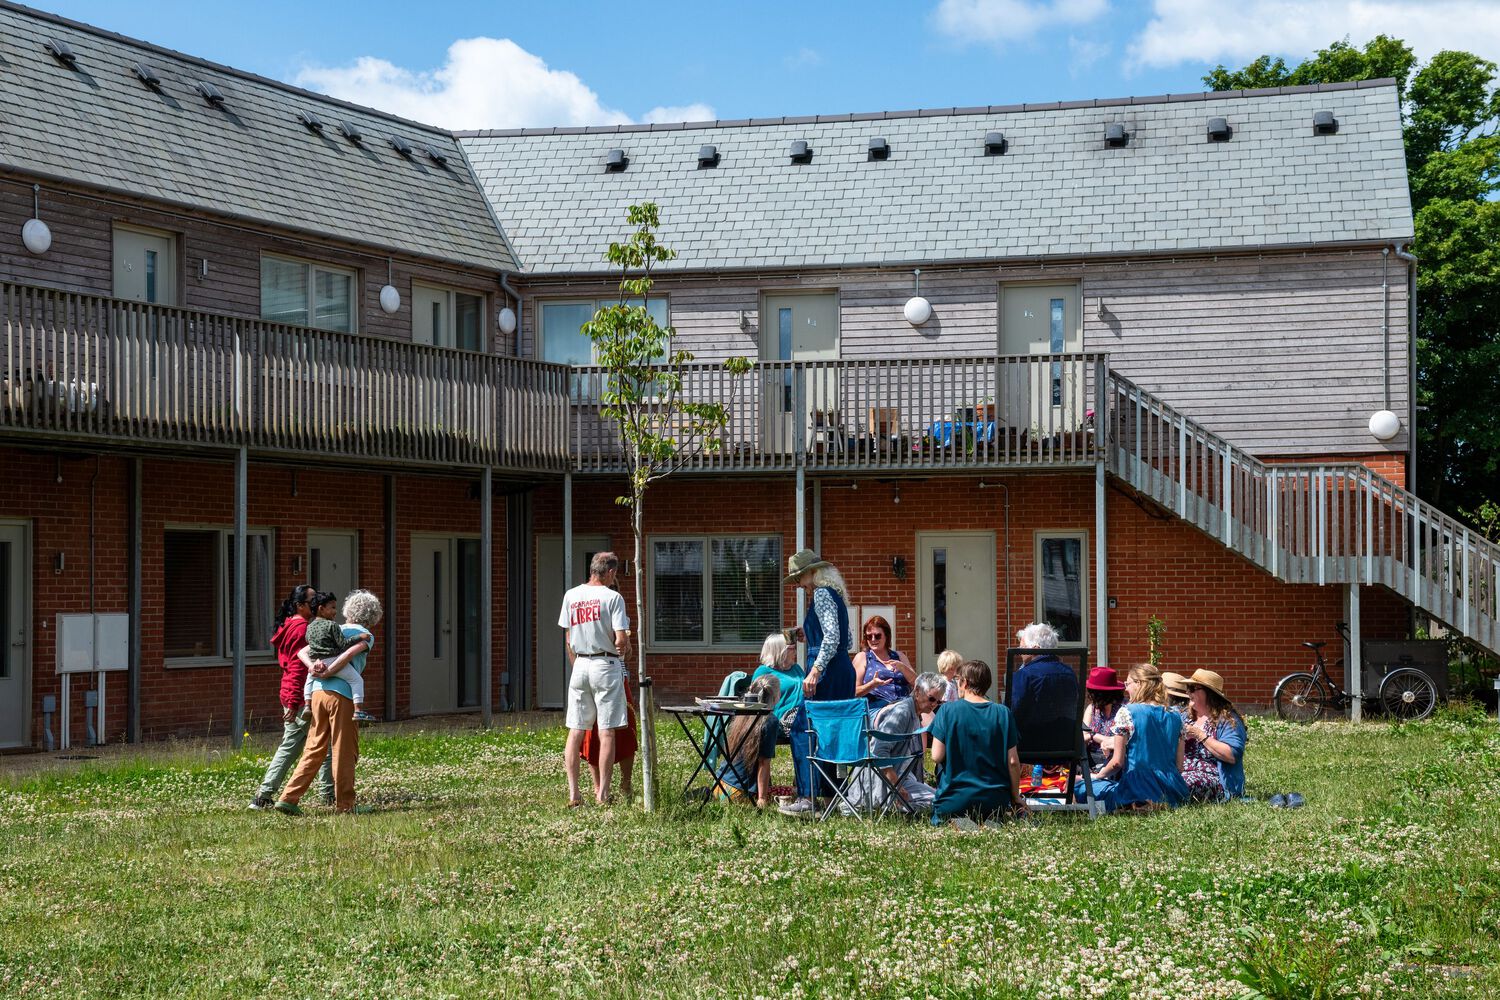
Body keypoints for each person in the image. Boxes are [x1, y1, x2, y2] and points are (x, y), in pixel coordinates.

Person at [275, 590, 381, 815]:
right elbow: (348, 655)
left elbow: (303, 652)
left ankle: (288, 798)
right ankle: (346, 804)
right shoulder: (365, 635)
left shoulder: (334, 628)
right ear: (373, 617)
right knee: (344, 749)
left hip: (317, 695)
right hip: (342, 696)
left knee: (314, 748)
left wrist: (314, 669)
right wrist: (330, 671)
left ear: (348, 611)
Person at [777, 550, 856, 818]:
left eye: (799, 577)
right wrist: (808, 633)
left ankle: (808, 797)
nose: (798, 584)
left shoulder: (821, 594)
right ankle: (834, 796)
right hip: (842, 670)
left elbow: (832, 638)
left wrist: (815, 670)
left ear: (813, 572)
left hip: (827, 672)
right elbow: (847, 640)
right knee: (832, 732)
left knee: (803, 729)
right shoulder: (836, 595)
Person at [559, 551, 632, 807]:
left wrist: (578, 664)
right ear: (610, 572)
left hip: (580, 664)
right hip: (605, 664)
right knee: (607, 730)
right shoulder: (613, 597)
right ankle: (603, 794)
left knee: (576, 730)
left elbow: (568, 638)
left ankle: (574, 794)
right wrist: (624, 646)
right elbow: (620, 640)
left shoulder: (571, 595)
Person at [249, 585, 332, 810]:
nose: (316, 603)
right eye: (312, 600)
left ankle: (265, 796)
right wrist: (296, 703)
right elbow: (297, 668)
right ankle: (327, 796)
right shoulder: (301, 629)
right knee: (314, 745)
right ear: (299, 605)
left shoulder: (290, 625)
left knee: (304, 745)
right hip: (299, 697)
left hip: (291, 693)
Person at [930, 659, 1026, 827]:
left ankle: (960, 821)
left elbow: (936, 756)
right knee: (991, 817)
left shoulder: (947, 710)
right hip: (995, 801)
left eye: (958, 680)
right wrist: (1015, 797)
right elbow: (1013, 762)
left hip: (953, 801)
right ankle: (988, 820)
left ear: (965, 682)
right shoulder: (1003, 713)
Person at [1084, 663, 1190, 813]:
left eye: (1128, 684)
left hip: (1138, 790)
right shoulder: (1176, 715)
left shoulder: (1127, 712)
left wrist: (1097, 776)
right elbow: (1179, 766)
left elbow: (1117, 763)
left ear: (1139, 683)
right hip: (1173, 790)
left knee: (1082, 787)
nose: (1126, 689)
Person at [842, 671, 945, 816]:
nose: (934, 704)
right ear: (917, 692)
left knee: (941, 797)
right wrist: (897, 786)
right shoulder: (902, 712)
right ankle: (894, 807)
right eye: (931, 698)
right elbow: (878, 751)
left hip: (899, 776)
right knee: (940, 802)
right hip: (880, 783)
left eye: (938, 702)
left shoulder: (914, 712)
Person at [301, 592, 377, 724]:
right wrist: (327, 672)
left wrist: (312, 666)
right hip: (343, 694)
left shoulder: (311, 627)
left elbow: (302, 652)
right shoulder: (334, 627)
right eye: (333, 607)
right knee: (357, 681)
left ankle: (306, 705)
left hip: (317, 692)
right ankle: (358, 711)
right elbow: (347, 652)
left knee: (317, 739)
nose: (335, 611)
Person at [751, 634, 810, 797]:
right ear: (779, 651)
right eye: (791, 649)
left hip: (800, 718)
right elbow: (758, 703)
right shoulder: (763, 672)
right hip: (777, 722)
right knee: (807, 732)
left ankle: (802, 786)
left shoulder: (796, 669)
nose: (795, 651)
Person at [712, 675, 784, 808]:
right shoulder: (769, 720)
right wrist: (762, 799)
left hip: (719, 787)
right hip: (739, 794)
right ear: (776, 696)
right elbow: (763, 762)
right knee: (794, 792)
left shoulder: (741, 714)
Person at [1181, 669, 1248, 802]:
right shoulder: (1185, 717)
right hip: (1183, 772)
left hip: (1215, 779)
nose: (1188, 692)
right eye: (1188, 688)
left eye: (1192, 688)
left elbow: (1232, 755)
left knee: (1183, 784)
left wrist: (1200, 735)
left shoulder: (1227, 720)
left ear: (1209, 694)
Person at [853, 615, 915, 709]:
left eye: (877, 636)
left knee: (929, 713)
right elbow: (853, 692)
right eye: (869, 636)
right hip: (878, 707)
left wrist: (903, 668)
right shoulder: (862, 657)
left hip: (904, 705)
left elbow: (918, 683)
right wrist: (872, 685)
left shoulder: (899, 656)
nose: (873, 639)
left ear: (886, 636)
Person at [1082, 666, 1127, 772]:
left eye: (1093, 694)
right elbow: (1083, 737)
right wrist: (1095, 736)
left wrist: (1093, 736)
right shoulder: (1091, 709)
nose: (1091, 697)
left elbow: (1127, 739)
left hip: (1116, 759)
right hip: (1092, 758)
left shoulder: (1125, 709)